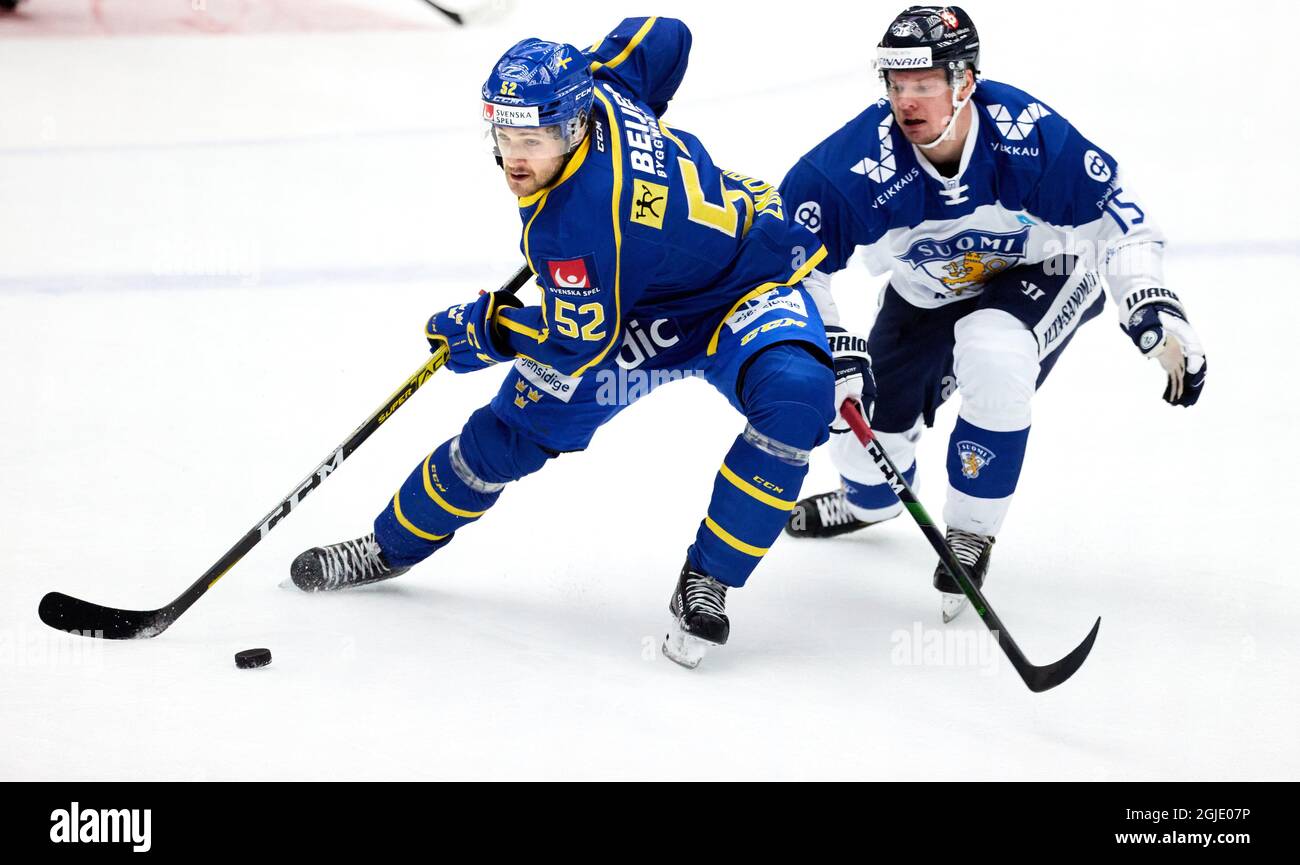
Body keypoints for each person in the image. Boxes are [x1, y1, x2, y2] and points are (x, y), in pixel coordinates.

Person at [289, 17, 841, 668]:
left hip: (744, 282)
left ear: (576, 124)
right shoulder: (604, 87)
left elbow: (577, 339)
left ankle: (709, 580)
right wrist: (609, 84)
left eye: (537, 137)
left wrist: (488, 330)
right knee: (505, 438)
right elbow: (666, 32)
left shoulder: (575, 227)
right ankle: (389, 545)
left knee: (798, 398)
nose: (517, 157)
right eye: (506, 134)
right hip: (633, 306)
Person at [779, 6, 1207, 621]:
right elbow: (792, 263)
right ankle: (871, 503)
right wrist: (830, 341)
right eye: (896, 84)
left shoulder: (1026, 133)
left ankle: (972, 529)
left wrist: (1149, 300)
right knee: (865, 433)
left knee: (993, 349)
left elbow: (1118, 213)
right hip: (929, 289)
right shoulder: (850, 166)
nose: (907, 101)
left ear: (965, 82)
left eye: (923, 83)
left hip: (1045, 270)